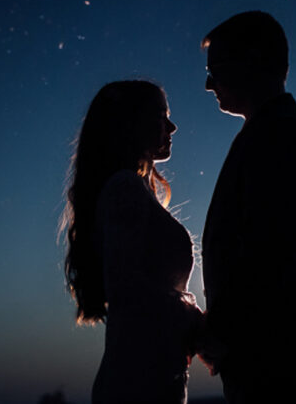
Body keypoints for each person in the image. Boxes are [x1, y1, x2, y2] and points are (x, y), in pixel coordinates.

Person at [200, 11, 296, 404]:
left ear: (252, 60)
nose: (207, 83)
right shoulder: (270, 129)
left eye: (215, 69)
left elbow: (270, 254)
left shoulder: (278, 134)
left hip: (286, 349)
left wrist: (220, 331)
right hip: (281, 342)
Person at [62, 80, 204, 404]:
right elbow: (127, 290)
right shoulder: (124, 189)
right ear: (129, 123)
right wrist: (195, 323)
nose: (172, 126)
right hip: (137, 383)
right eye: (160, 115)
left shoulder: (132, 190)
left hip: (150, 376)